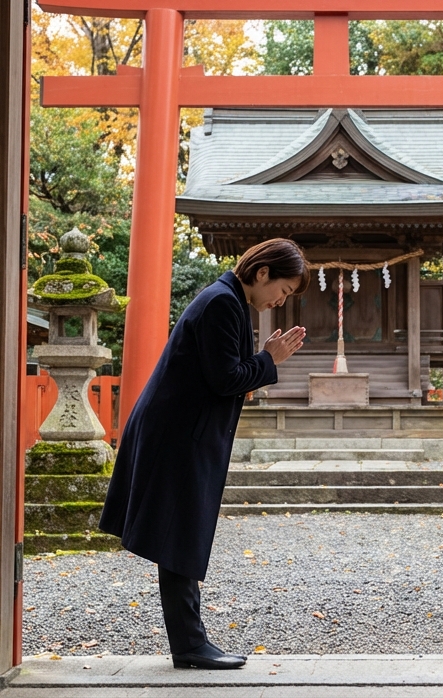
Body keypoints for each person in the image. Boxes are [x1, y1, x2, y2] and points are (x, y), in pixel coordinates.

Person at [101, 238, 308, 670]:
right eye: (283, 291)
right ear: (263, 272)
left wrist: (261, 361)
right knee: (179, 535)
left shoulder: (227, 301)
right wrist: (269, 359)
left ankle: (189, 643)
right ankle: (190, 645)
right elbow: (225, 377)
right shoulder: (222, 304)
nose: (279, 301)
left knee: (180, 535)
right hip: (178, 435)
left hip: (178, 432)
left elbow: (223, 376)